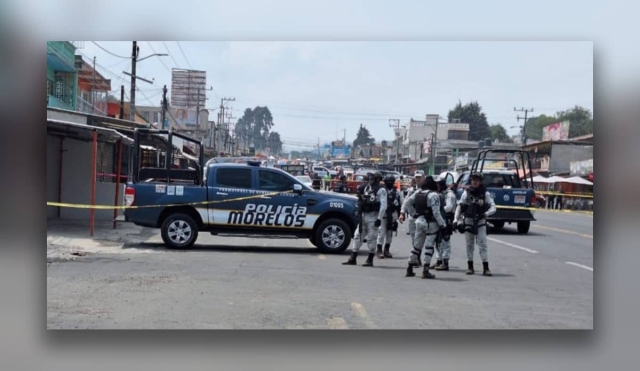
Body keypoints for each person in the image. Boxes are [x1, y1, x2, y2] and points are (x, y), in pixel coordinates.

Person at [399, 176, 446, 279]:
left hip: (419, 221)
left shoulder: (418, 192)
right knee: (429, 247)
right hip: (431, 223)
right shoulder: (434, 195)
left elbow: (407, 202)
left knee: (416, 246)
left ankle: (409, 268)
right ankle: (425, 270)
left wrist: (413, 213)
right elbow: (436, 212)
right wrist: (442, 225)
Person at [454, 172, 497, 276]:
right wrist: (456, 221)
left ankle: (486, 268)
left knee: (483, 244)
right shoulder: (466, 193)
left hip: (481, 221)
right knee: (469, 245)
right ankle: (470, 267)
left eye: (477, 180)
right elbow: (459, 207)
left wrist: (485, 214)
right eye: (473, 179)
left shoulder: (485, 194)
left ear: (481, 182)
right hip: (468, 220)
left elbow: (493, 207)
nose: (475, 181)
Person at [342, 172, 387, 267]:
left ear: (377, 179)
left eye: (372, 179)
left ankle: (370, 259)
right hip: (364, 215)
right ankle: (353, 257)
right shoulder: (367, 188)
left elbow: (383, 205)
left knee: (372, 237)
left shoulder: (381, 190)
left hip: (373, 216)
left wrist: (379, 218)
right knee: (358, 235)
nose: (370, 180)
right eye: (369, 179)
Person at [376, 174, 404, 259]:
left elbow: (401, 203)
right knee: (381, 232)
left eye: (391, 181)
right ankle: (379, 251)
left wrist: (401, 214)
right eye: (387, 182)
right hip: (383, 214)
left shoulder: (397, 192)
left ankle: (386, 250)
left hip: (393, 215)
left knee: (389, 233)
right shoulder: (381, 191)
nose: (389, 183)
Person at [432, 178, 457, 271]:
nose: (437, 186)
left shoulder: (449, 195)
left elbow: (449, 207)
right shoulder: (438, 194)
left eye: (438, 185)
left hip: (446, 219)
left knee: (445, 241)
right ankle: (439, 260)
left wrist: (438, 210)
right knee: (437, 241)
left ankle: (445, 262)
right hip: (438, 218)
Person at [403, 173, 424, 263]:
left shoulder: (426, 189)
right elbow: (406, 201)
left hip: (423, 216)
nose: (418, 179)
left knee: (420, 238)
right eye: (416, 178)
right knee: (413, 237)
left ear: (423, 178)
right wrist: (402, 212)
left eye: (420, 177)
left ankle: (418, 256)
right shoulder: (411, 190)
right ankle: (416, 257)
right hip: (413, 216)